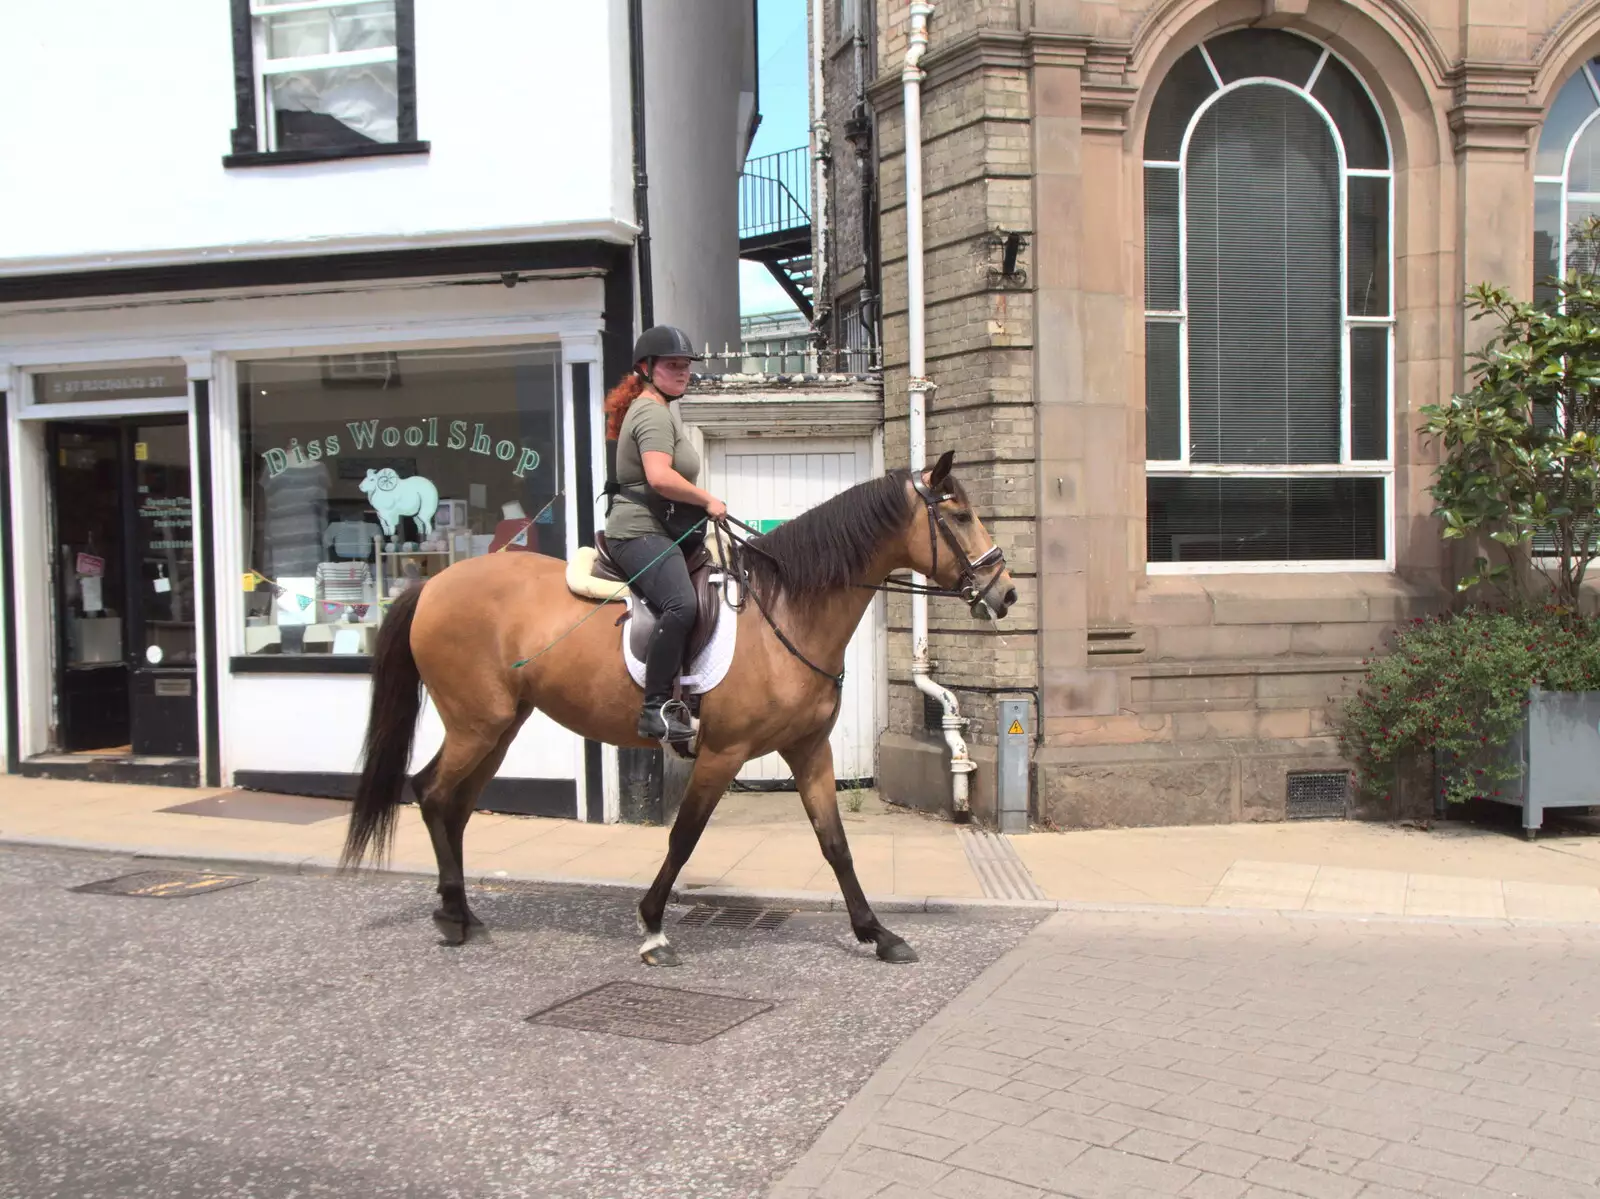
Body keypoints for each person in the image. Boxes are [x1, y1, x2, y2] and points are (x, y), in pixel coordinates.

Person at [603, 325, 729, 743]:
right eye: (673, 365)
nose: (683, 373)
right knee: (681, 604)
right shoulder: (652, 411)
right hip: (637, 532)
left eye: (686, 366)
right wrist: (708, 500)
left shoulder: (659, 409)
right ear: (646, 367)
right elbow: (659, 477)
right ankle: (655, 707)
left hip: (662, 529)